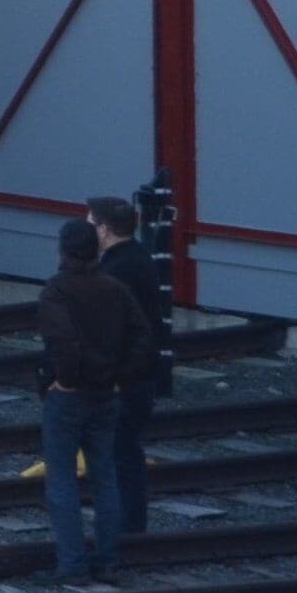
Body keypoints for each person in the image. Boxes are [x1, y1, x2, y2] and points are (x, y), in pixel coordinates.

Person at [38, 216, 150, 585]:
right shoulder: (114, 287)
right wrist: (118, 377)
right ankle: (107, 559)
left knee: (62, 480)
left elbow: (63, 343)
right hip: (106, 395)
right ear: (95, 247)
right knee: (106, 477)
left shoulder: (57, 290)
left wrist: (65, 381)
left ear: (62, 249)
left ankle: (72, 565)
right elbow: (141, 335)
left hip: (69, 399)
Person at [89, 194, 171, 536]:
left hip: (126, 379)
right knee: (125, 450)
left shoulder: (116, 270)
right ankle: (130, 526)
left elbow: (114, 329)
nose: (88, 229)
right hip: (138, 375)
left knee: (119, 453)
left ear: (105, 230)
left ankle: (126, 529)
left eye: (91, 223)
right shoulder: (137, 259)